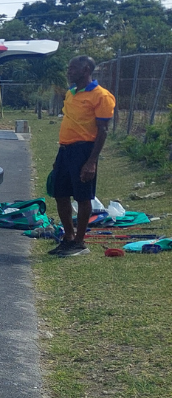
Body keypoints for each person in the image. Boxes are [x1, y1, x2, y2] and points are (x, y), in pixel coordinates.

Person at [51, 55, 116, 258]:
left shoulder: (101, 96)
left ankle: (80, 242)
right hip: (65, 149)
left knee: (82, 196)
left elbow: (103, 130)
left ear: (86, 70)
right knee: (60, 193)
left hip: (84, 150)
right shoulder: (71, 93)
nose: (69, 71)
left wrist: (91, 162)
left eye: (73, 68)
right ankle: (68, 238)